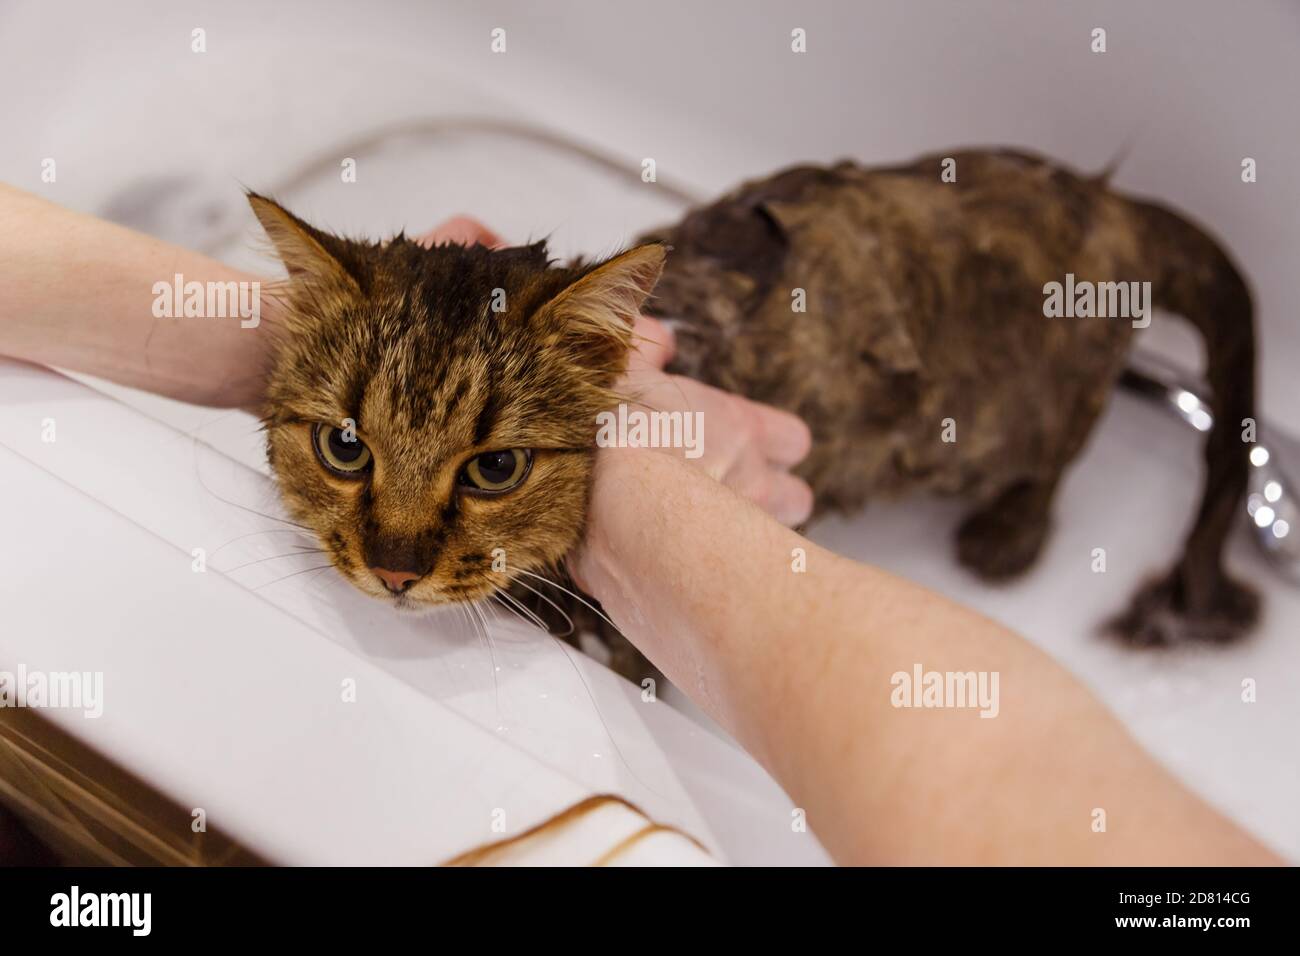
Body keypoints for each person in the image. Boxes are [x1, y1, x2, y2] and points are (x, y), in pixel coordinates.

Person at [0, 184, 1279, 865]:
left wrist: (636, 515)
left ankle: (1035, 485)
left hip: (1004, 295)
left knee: (1015, 447)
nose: (394, 554)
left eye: (481, 475)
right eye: (345, 454)